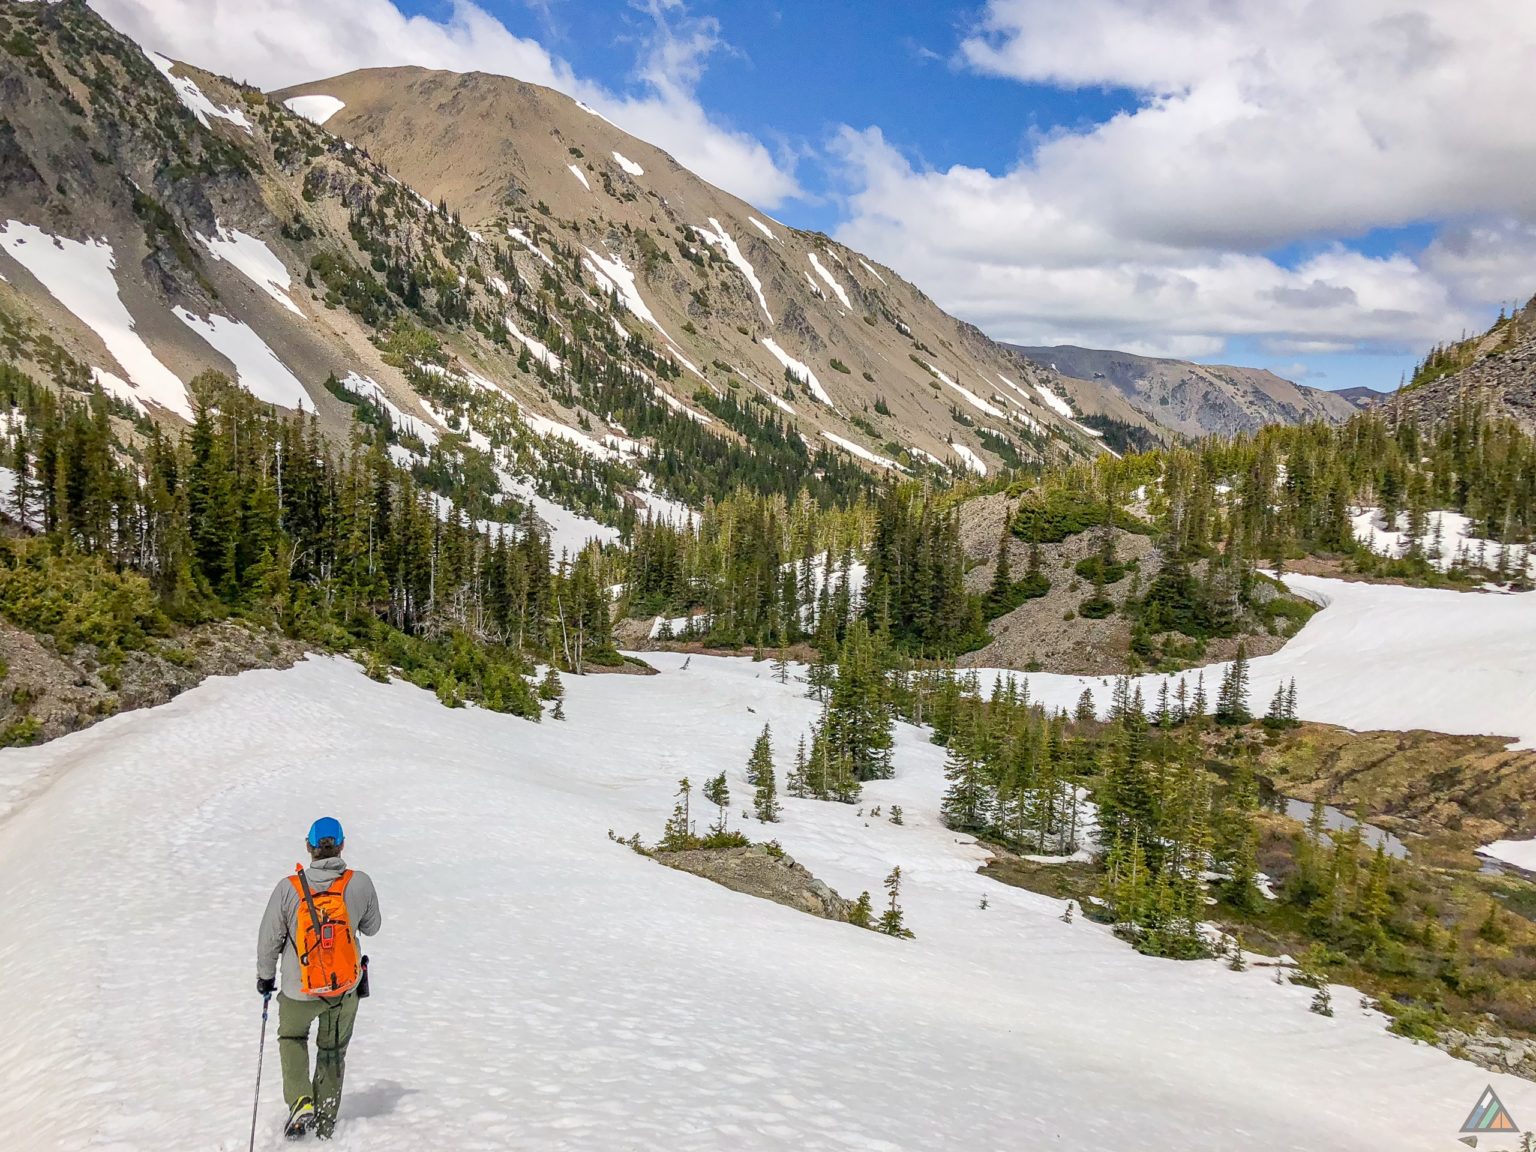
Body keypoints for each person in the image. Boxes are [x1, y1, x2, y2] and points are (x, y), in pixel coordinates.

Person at [257, 817, 382, 1140]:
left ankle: (301, 1102)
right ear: (341, 845)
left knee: (292, 1039)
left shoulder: (289, 888)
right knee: (332, 1049)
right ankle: (325, 1121)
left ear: (309, 847)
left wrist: (265, 978)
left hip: (299, 989)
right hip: (343, 988)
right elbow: (372, 927)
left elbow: (269, 938)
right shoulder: (360, 882)